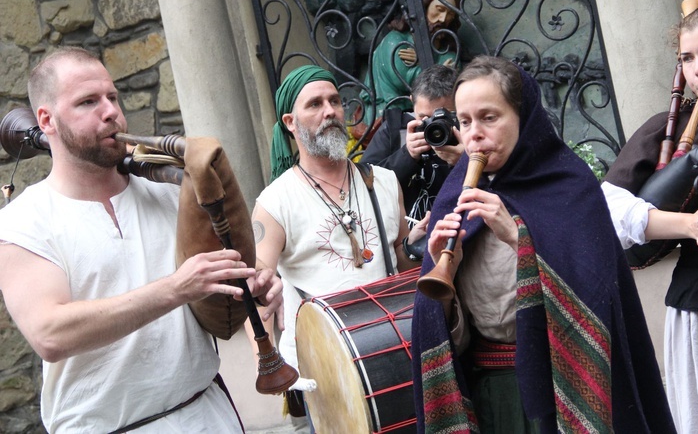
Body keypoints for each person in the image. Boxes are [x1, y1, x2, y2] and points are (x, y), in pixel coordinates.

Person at [0, 47, 283, 433]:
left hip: (207, 413)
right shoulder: (22, 221)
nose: (110, 111)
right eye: (87, 102)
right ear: (46, 120)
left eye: (112, 97)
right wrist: (176, 288)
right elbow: (51, 333)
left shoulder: (168, 193)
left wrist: (249, 285)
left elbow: (214, 306)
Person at [411, 55, 675, 433]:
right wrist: (446, 282)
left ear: (525, 117)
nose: (474, 135)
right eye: (465, 121)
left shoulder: (568, 186)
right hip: (492, 396)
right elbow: (443, 330)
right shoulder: (454, 194)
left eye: (490, 117)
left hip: (564, 389)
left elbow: (595, 299)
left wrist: (517, 236)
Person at [603, 0, 698, 433]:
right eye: (687, 58)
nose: (697, 69)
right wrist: (686, 224)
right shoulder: (667, 128)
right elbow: (609, 210)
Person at [253, 64, 424, 432]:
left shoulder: (384, 181)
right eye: (314, 104)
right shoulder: (275, 202)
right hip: (325, 372)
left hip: (396, 351)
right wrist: (267, 361)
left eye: (334, 101)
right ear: (289, 121)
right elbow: (259, 294)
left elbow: (400, 263)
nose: (330, 110)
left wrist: (419, 247)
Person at [361, 63, 462, 227]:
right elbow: (363, 185)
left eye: (444, 117)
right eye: (424, 117)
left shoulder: (470, 129)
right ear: (412, 103)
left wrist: (464, 161)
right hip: (406, 236)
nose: (433, 125)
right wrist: (407, 155)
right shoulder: (395, 129)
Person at [360, 0, 462, 122]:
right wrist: (440, 69)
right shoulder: (396, 41)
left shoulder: (446, 51)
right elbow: (404, 81)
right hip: (388, 115)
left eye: (450, 14)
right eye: (439, 10)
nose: (443, 18)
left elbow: (453, 84)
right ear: (424, 7)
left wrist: (421, 61)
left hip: (433, 119)